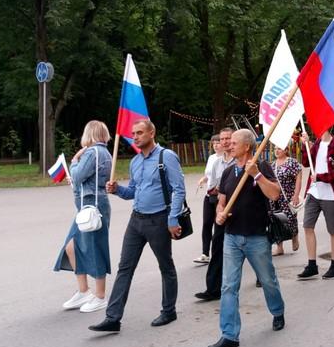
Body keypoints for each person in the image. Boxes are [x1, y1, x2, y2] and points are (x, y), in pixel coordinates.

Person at [89, 119, 185, 333]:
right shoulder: (135, 162)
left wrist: (172, 219)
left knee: (165, 266)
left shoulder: (166, 157)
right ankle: (113, 318)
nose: (135, 136)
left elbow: (179, 189)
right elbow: (132, 191)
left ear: (152, 133)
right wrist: (116, 190)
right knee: (125, 267)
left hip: (159, 220)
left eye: (140, 132)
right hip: (136, 220)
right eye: (134, 133)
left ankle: (169, 310)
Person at [207, 129, 285, 347]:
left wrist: (256, 175)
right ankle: (229, 334)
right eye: (228, 142)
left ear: (247, 146)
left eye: (233, 143)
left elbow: (274, 195)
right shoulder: (228, 171)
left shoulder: (261, 167)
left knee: (267, 279)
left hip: (257, 237)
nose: (228, 146)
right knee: (229, 286)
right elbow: (221, 201)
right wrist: (219, 214)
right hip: (231, 237)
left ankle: (278, 311)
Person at [55, 120, 113, 313]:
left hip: (92, 206)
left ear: (89, 134)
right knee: (71, 246)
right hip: (88, 205)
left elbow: (79, 176)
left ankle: (100, 296)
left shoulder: (91, 152)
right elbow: (85, 179)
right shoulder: (103, 152)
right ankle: (84, 291)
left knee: (95, 248)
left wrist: (73, 163)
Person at [297, 129, 334, 280]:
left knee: (333, 230)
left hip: (330, 194)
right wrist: (305, 145)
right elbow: (306, 163)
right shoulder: (317, 144)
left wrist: (320, 177)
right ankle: (312, 264)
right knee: (307, 226)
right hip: (313, 192)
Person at [195, 128, 235, 302]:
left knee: (249, 247)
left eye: (228, 138)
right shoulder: (218, 162)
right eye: (223, 138)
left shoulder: (239, 160)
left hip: (238, 211)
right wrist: (215, 190)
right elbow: (218, 184)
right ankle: (212, 289)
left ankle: (261, 278)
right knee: (217, 246)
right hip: (220, 207)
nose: (225, 142)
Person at [270, 142, 303, 255]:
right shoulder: (272, 165)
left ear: (285, 150)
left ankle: (294, 236)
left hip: (288, 196)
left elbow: (298, 178)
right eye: (275, 149)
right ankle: (280, 247)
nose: (276, 151)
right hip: (275, 197)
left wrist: (296, 194)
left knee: (290, 218)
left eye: (279, 148)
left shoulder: (291, 162)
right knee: (276, 221)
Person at [194, 134, 221, 265]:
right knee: (206, 224)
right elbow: (208, 175)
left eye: (218, 142)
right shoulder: (211, 158)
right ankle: (205, 253)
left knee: (219, 225)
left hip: (220, 196)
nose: (216, 145)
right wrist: (202, 180)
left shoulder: (227, 159)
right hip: (209, 195)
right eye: (214, 143)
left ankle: (218, 253)